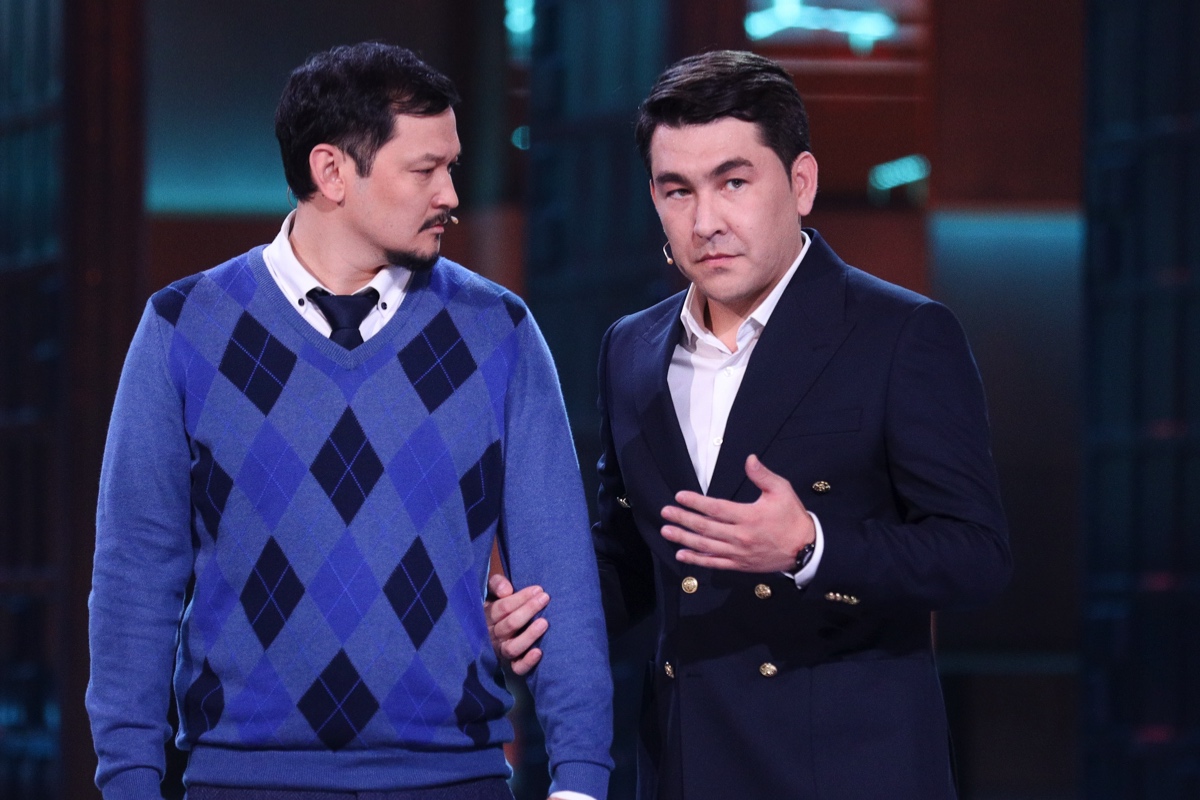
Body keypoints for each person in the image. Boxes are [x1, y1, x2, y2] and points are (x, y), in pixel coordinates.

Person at [87, 42, 611, 800]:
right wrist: (130, 784)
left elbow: (559, 575)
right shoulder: (184, 328)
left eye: (452, 166)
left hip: (453, 780)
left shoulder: (498, 331)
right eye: (425, 169)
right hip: (243, 782)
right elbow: (136, 578)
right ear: (331, 172)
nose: (450, 193)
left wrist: (580, 784)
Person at [487, 49, 1011, 799]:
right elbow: (632, 558)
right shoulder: (630, 348)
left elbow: (976, 556)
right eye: (678, 191)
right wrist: (540, 612)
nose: (706, 222)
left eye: (733, 182)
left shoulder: (900, 333)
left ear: (801, 183)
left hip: (846, 772)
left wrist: (809, 546)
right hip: (686, 764)